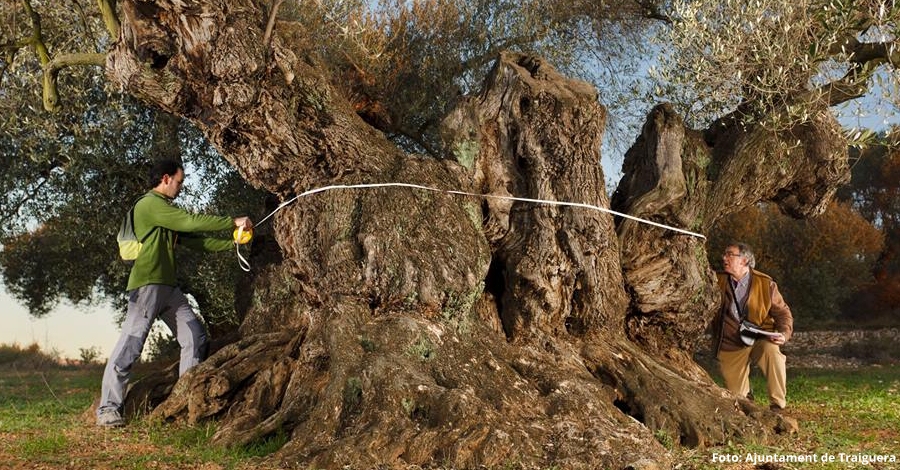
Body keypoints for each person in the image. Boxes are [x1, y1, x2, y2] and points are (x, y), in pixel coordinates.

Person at [96, 160, 253, 427]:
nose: (181, 188)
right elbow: (190, 222)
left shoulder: (165, 212)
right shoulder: (149, 204)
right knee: (130, 346)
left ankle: (183, 402)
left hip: (168, 288)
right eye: (179, 182)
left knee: (194, 335)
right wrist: (231, 221)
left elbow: (198, 241)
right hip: (147, 285)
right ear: (166, 178)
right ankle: (107, 410)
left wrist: (232, 241)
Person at [713, 242, 793, 412]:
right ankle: (747, 394)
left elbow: (783, 313)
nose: (724, 258)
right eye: (724, 254)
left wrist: (784, 334)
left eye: (729, 254)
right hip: (730, 343)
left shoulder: (766, 283)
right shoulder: (715, 280)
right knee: (737, 399)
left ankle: (777, 405)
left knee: (773, 352)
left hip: (761, 338)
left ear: (744, 260)